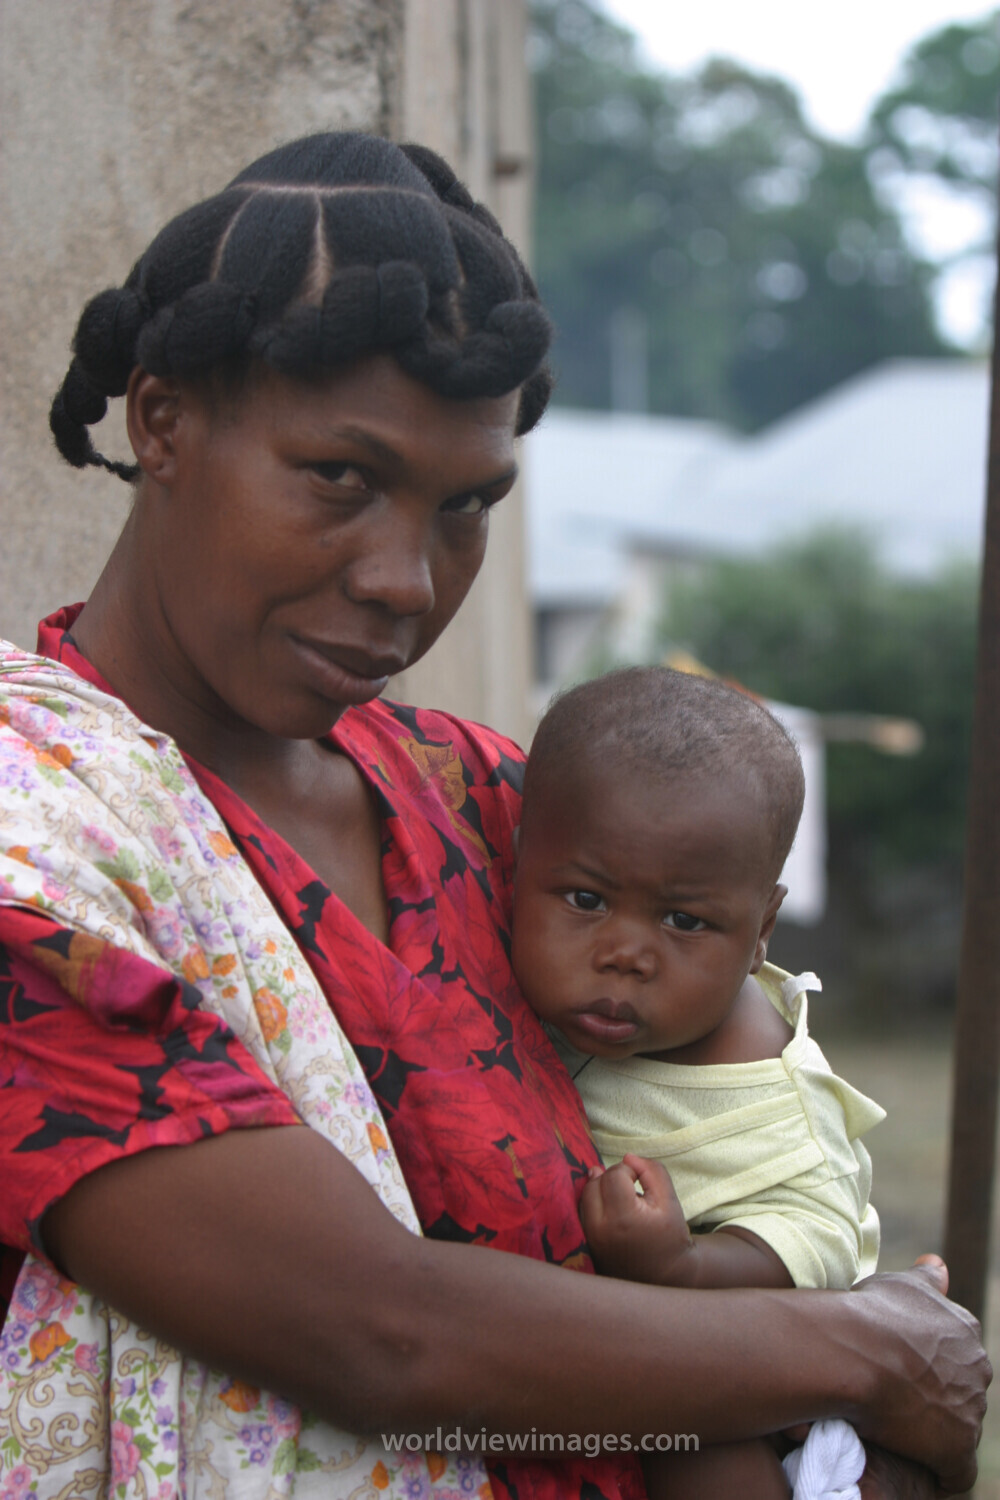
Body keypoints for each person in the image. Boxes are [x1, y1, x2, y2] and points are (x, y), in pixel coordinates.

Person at [0, 131, 987, 1500]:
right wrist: (856, 1353)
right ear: (161, 423)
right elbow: (378, 1334)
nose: (410, 579)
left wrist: (818, 1362)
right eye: (340, 477)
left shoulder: (480, 799)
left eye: (466, 507)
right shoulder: (37, 840)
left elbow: (738, 1121)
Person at [511, 666, 885, 1498]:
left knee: (691, 1440)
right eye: (584, 898)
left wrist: (685, 1265)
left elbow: (820, 1240)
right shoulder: (531, 1004)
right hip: (564, 1375)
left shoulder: (768, 1099)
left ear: (761, 930)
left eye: (685, 921)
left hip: (765, 1399)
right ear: (512, 864)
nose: (627, 953)